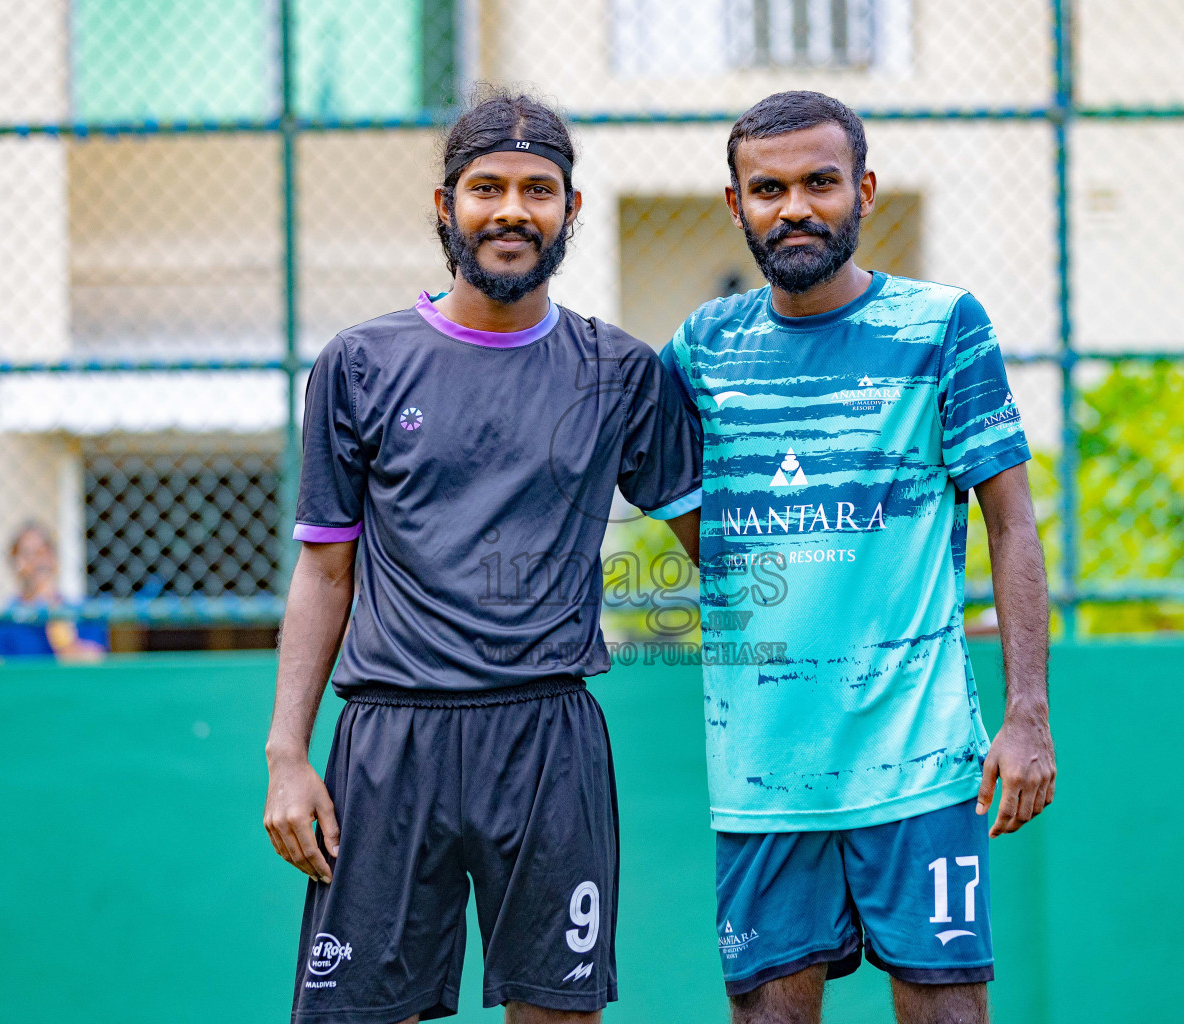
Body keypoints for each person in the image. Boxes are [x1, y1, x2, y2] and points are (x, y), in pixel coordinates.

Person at [263, 91, 702, 1024]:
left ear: (571, 210)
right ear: (445, 205)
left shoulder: (620, 372)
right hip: (390, 740)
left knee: (558, 1014)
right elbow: (325, 570)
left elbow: (718, 545)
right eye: (487, 187)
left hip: (547, 738)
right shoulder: (359, 363)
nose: (512, 210)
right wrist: (286, 755)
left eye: (538, 189)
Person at [659, 91, 1056, 1024]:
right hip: (763, 777)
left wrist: (1027, 714)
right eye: (769, 189)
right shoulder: (702, 347)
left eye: (820, 182)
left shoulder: (944, 326)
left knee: (948, 1011)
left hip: (921, 763)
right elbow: (666, 491)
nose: (795, 207)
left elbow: (1012, 525)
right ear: (736, 205)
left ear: (864, 191)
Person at [0, 522, 108, 659]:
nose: (38, 561)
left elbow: (95, 662)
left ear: (54, 559)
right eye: (28, 553)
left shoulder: (83, 612)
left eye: (44, 552)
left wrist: (62, 636)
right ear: (15, 562)